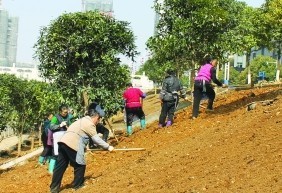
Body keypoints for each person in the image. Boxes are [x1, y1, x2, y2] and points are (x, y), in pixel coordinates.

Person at [50, 105, 114, 193]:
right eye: (98, 119)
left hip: (63, 143)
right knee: (80, 164)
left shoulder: (81, 120)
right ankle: (78, 185)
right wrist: (107, 146)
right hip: (71, 144)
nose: (98, 121)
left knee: (60, 166)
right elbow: (96, 139)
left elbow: (80, 136)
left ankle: (54, 188)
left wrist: (83, 148)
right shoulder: (89, 124)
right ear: (95, 117)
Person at [48, 104, 72, 174]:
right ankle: (51, 170)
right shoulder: (55, 117)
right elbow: (51, 126)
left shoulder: (69, 116)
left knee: (65, 151)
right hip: (57, 136)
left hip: (65, 135)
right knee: (55, 153)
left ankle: (63, 167)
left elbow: (71, 123)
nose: (65, 114)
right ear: (60, 112)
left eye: (66, 112)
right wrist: (59, 125)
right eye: (64, 112)